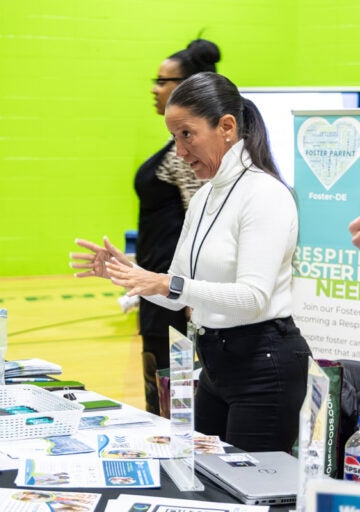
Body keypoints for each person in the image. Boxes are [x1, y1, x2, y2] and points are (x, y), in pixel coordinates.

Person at [71, 72, 312, 453]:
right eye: (173, 138)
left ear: (227, 127)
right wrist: (133, 277)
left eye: (187, 135)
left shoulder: (264, 194)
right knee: (209, 483)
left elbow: (253, 298)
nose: (180, 152)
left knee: (251, 495)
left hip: (264, 368)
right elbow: (180, 292)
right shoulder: (203, 198)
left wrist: (165, 283)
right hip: (215, 363)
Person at [132, 38, 220, 415]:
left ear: (187, 87)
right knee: (158, 400)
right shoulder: (175, 148)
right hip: (157, 290)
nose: (154, 88)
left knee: (176, 411)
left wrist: (190, 297)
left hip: (175, 295)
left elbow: (201, 222)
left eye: (162, 80)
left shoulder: (190, 155)